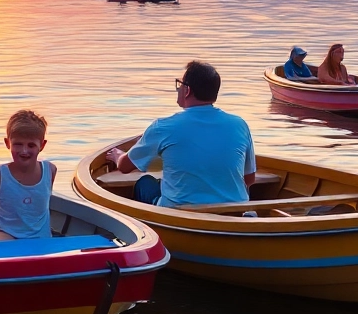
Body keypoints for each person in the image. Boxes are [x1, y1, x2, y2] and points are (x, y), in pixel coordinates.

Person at [104, 60, 256, 207]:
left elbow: (124, 166)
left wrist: (117, 155)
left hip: (180, 214)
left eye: (180, 84)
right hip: (234, 213)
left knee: (145, 183)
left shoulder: (162, 127)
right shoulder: (240, 125)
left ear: (187, 90)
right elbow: (249, 178)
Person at [0, 110, 56, 242]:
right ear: (7, 143)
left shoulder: (50, 170)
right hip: (2, 232)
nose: (24, 151)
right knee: (3, 245)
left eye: (31, 145)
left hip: (38, 237)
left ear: (42, 145)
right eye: (18, 144)